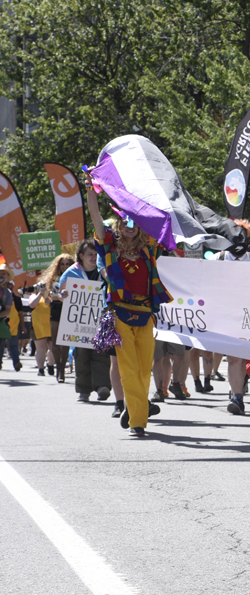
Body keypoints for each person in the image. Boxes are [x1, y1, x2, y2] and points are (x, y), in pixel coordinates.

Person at [83, 173, 171, 437]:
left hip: (146, 313)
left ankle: (134, 410)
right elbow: (96, 216)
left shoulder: (150, 249)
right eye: (125, 221)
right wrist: (90, 189)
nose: (130, 225)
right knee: (129, 369)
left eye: (135, 221)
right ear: (119, 224)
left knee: (145, 370)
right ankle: (138, 422)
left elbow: (162, 219)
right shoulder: (109, 247)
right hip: (120, 313)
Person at [215, 219, 250, 415]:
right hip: (227, 316)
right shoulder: (217, 259)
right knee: (235, 357)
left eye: (241, 234)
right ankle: (237, 396)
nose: (238, 238)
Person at [59, 240, 113, 403]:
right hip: (80, 321)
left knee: (101, 353)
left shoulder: (103, 271)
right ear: (81, 256)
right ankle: (83, 390)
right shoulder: (71, 273)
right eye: (90, 254)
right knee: (81, 355)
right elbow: (62, 293)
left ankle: (102, 386)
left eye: (96, 254)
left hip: (101, 316)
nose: (93, 257)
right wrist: (63, 296)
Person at [41, 253, 74, 383]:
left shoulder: (76, 276)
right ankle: (58, 366)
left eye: (68, 264)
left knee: (65, 341)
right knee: (55, 341)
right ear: (58, 265)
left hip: (69, 310)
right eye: (62, 264)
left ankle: (62, 370)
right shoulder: (54, 279)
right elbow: (49, 296)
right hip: (56, 309)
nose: (65, 266)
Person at [0, 266, 20, 371]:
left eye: (4, 274)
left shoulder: (7, 292)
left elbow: (8, 310)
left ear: (7, 277)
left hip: (2, 324)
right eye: (0, 273)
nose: (1, 275)